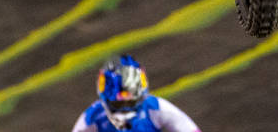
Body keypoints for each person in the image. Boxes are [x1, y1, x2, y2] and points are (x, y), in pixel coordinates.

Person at [71, 54, 200, 132]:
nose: (124, 110)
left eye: (130, 102)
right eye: (118, 104)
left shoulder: (155, 107)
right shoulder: (92, 117)